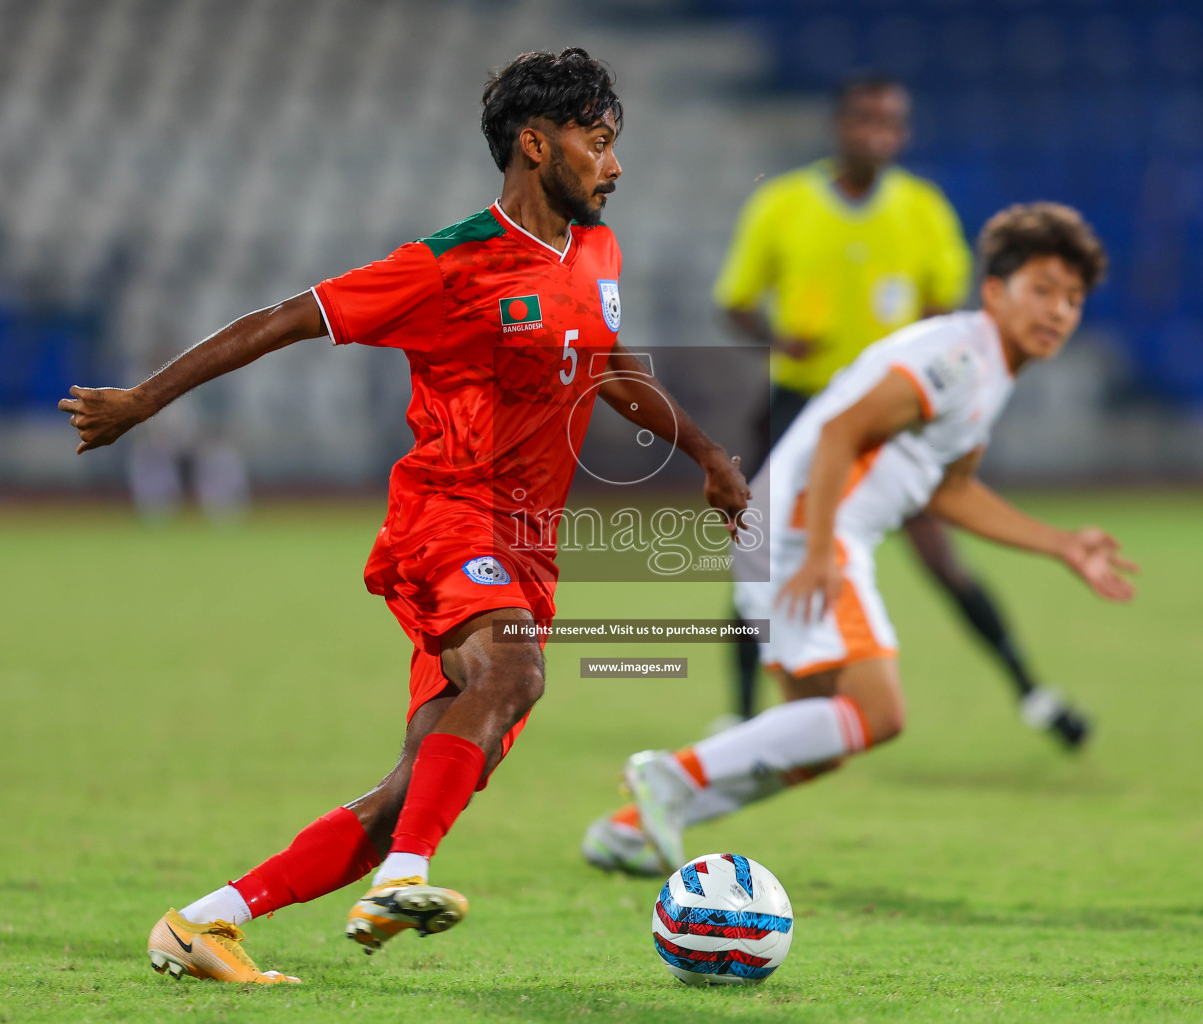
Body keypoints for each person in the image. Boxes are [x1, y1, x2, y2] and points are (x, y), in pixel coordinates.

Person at [59, 49, 749, 984]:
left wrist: (706, 454)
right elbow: (286, 318)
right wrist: (145, 400)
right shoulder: (447, 263)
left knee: (413, 784)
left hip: (531, 550)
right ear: (537, 145)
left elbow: (608, 361)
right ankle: (408, 875)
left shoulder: (596, 248)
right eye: (599, 143)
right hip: (446, 518)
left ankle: (205, 923)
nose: (615, 165)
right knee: (512, 671)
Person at [584, 203, 1134, 876]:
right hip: (809, 529)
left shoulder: (987, 373)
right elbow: (843, 431)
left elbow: (949, 489)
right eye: (1042, 290)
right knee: (880, 712)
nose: (1058, 311)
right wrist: (819, 553)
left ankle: (633, 825)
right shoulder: (959, 358)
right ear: (995, 291)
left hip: (789, 527)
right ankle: (669, 775)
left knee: (819, 738)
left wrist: (1059, 544)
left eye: (1073, 299)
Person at [714, 75, 1088, 748]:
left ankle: (1032, 692)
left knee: (942, 561)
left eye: (890, 123)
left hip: (898, 413)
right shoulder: (782, 204)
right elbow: (735, 298)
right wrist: (777, 339)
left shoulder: (922, 210)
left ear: (904, 134)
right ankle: (741, 713)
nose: (877, 134)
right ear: (839, 125)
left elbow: (947, 307)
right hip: (801, 403)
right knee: (762, 554)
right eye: (865, 120)